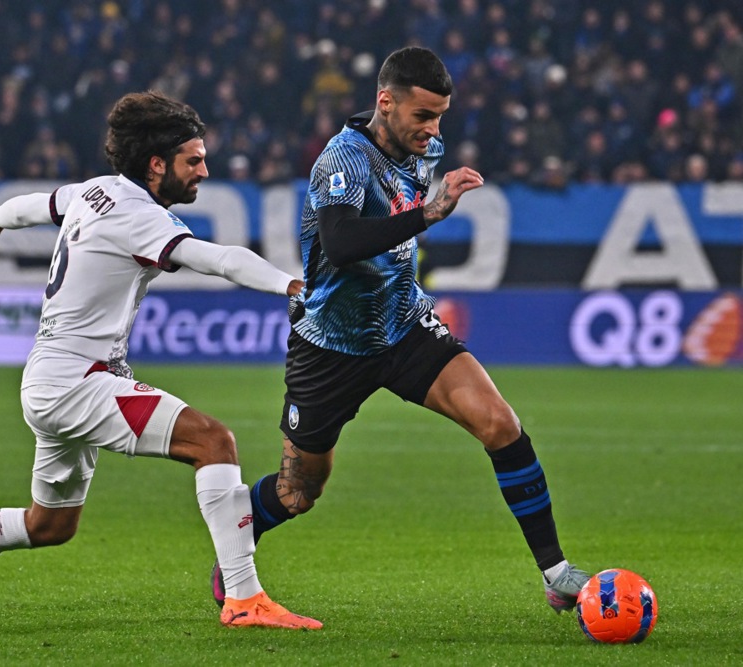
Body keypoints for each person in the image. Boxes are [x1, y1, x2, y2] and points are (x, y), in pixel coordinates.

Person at [0, 91, 321, 631]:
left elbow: (36, 206)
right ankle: (243, 597)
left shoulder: (94, 191)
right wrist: (290, 284)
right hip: (78, 381)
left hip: (51, 379)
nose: (204, 172)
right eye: (193, 160)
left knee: (50, 525)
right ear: (156, 164)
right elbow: (217, 259)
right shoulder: (139, 216)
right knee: (213, 442)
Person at [210, 47, 590, 614]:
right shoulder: (343, 159)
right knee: (299, 491)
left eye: (440, 117)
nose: (434, 130)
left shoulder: (423, 149)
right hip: (331, 345)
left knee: (500, 424)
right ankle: (238, 535)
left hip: (404, 325)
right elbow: (341, 243)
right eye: (423, 115)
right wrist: (428, 214)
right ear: (385, 102)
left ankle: (556, 574)